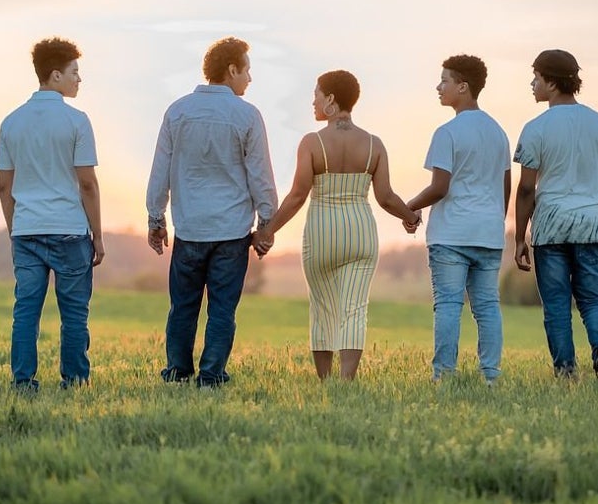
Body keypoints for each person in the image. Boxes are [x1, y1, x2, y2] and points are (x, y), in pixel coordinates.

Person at [253, 70, 420, 380]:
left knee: (323, 309)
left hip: (321, 233)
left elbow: (297, 195)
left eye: (316, 94)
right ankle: (346, 382)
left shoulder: (312, 142)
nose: (312, 101)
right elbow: (385, 197)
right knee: (354, 309)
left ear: (330, 99)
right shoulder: (374, 144)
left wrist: (268, 231)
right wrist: (410, 217)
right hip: (361, 232)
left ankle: (326, 382)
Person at [146, 36, 278, 388]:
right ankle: (211, 374)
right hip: (231, 233)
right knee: (222, 309)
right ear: (231, 69)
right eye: (247, 69)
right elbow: (260, 176)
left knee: (183, 307)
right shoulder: (248, 115)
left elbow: (161, 170)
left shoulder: (177, 111)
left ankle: (177, 371)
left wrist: (156, 219)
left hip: (189, 228)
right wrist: (267, 224)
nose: (250, 78)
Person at [0, 37, 104, 392]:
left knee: (26, 310)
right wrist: (98, 236)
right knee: (74, 313)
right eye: (75, 72)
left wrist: (15, 229)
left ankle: (23, 381)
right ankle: (74, 381)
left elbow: (4, 187)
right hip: (70, 231)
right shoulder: (77, 121)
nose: (79, 79)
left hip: (26, 230)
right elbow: (87, 184)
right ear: (55, 75)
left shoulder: (10, 123)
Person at [513, 49, 598, 379]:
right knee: (593, 299)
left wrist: (520, 237)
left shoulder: (535, 128)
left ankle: (565, 371)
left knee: (558, 305)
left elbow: (526, 190)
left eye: (536, 77)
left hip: (550, 226)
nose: (532, 83)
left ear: (551, 81)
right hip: (591, 222)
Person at [405, 55, 511, 385]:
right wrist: (493, 220)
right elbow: (505, 187)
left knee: (449, 305)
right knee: (488, 307)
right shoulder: (498, 132)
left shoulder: (447, 132)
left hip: (451, 234)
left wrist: (411, 205)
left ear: (462, 86)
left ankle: (444, 377)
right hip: (489, 233)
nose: (439, 87)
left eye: (444, 81)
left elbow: (440, 187)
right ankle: (491, 377)